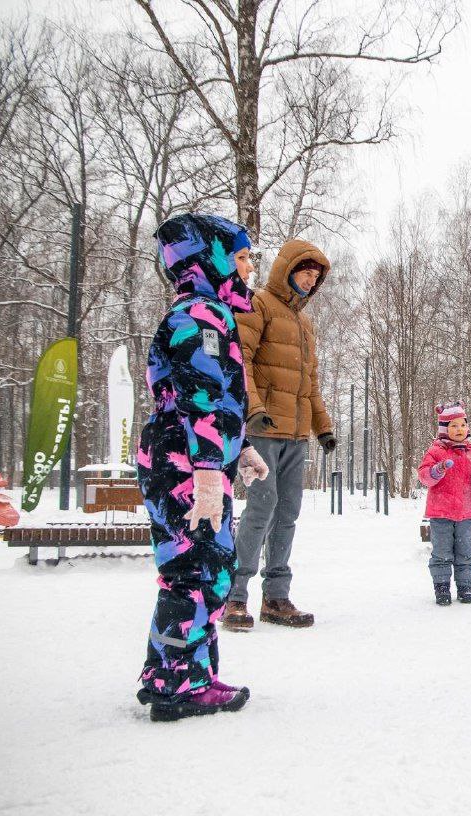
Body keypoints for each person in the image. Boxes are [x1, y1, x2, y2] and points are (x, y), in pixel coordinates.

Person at [136, 212, 269, 723]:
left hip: (181, 455)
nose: (249, 267)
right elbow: (203, 398)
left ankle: (176, 672)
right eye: (240, 256)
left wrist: (239, 450)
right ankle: (180, 683)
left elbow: (211, 400)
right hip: (185, 462)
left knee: (189, 569)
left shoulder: (206, 312)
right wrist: (210, 470)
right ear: (210, 259)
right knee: (202, 570)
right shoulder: (201, 316)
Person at [226, 239, 336, 631]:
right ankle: (234, 596)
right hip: (264, 428)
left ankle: (276, 597)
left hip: (295, 434)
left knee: (287, 512)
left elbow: (310, 384)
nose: (310, 278)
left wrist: (322, 427)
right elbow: (242, 361)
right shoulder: (258, 305)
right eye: (305, 270)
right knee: (261, 507)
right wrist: (252, 410)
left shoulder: (305, 325)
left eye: (316, 275)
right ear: (286, 269)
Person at [418, 403, 471, 606]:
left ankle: (465, 587)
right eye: (453, 426)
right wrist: (437, 470)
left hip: (466, 513)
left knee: (465, 553)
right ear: (444, 429)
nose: (459, 429)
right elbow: (425, 476)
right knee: (442, 552)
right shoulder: (436, 451)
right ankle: (442, 587)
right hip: (441, 513)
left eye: (462, 425)